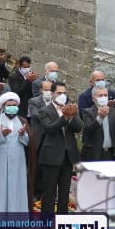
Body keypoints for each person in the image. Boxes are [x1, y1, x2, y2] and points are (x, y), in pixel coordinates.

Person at [0, 92, 36, 213]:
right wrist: (1, 135)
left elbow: (29, 143)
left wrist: (22, 135)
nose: (12, 107)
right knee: (1, 188)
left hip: (18, 163)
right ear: (3, 106)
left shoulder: (22, 121)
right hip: (0, 162)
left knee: (17, 188)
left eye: (14, 105)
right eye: (9, 105)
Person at [37, 81, 82, 214]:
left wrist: (72, 115)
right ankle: (47, 225)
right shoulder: (44, 110)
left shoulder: (70, 108)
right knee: (49, 193)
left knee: (64, 194)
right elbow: (49, 128)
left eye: (64, 93)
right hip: (51, 157)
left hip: (67, 158)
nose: (62, 95)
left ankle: (62, 222)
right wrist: (64, 116)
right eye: (59, 93)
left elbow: (79, 128)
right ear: (52, 94)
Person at [81, 86, 115, 161]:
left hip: (112, 153)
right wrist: (100, 118)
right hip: (94, 154)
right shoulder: (88, 112)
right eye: (100, 95)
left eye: (105, 95)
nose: (103, 97)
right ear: (93, 98)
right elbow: (88, 130)